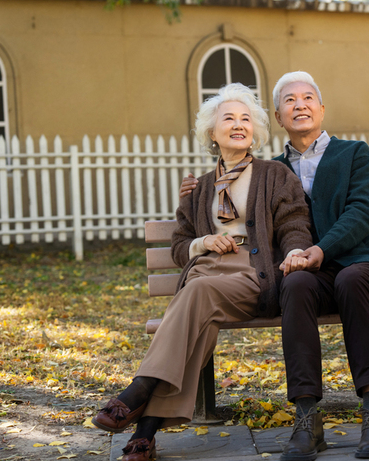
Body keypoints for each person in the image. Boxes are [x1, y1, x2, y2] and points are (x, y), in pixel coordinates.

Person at [180, 72, 369, 460]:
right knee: (294, 287)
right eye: (290, 101)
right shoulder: (271, 171)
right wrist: (198, 190)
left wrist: (320, 250)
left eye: (308, 97)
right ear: (278, 117)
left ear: (322, 108)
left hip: (362, 265)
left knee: (349, 279)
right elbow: (232, 190)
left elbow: (361, 213)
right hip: (309, 275)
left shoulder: (353, 153)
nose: (301, 105)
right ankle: (307, 417)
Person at [92, 83, 313, 461]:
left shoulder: (275, 175)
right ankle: (145, 435)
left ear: (256, 132)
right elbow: (180, 245)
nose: (238, 125)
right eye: (229, 118)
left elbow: (295, 224)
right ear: (213, 132)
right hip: (207, 274)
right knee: (199, 323)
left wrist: (295, 253)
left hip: (250, 274)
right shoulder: (198, 187)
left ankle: (137, 391)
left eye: (246, 119)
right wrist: (204, 243)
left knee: (196, 294)